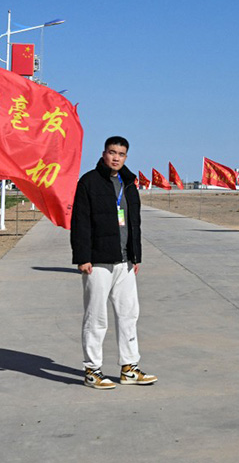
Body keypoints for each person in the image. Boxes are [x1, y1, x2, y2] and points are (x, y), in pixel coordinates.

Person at [70, 136, 157, 390]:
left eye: (121, 154)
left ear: (126, 157)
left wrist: (135, 256)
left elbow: (134, 223)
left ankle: (129, 368)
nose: (116, 157)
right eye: (112, 152)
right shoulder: (89, 182)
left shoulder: (129, 183)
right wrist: (83, 257)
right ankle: (92, 370)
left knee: (129, 314)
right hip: (98, 261)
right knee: (96, 317)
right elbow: (80, 222)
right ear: (103, 153)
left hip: (125, 261)